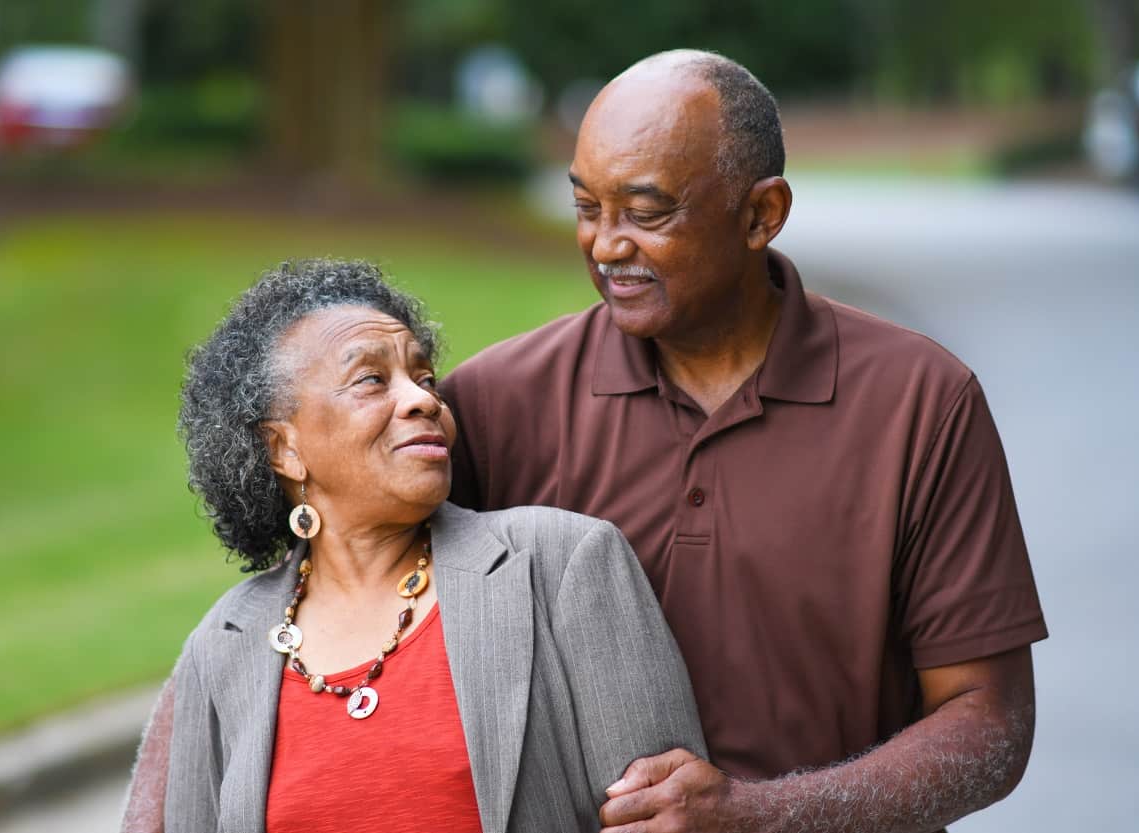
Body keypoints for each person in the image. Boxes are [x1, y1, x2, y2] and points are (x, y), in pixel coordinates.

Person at [439, 50, 1048, 833]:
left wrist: (759, 816)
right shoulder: (495, 401)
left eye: (647, 212)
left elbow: (989, 725)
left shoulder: (921, 402)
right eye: (587, 206)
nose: (605, 244)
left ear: (762, 214)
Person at [119, 259, 706, 833]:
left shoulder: (563, 565)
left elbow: (667, 817)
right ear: (284, 449)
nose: (424, 400)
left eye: (425, 379)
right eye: (372, 380)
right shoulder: (222, 646)